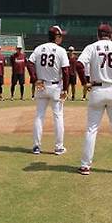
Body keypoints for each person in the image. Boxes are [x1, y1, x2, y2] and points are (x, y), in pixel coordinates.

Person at [76, 24, 112, 176]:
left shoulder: (92, 47)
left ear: (98, 35)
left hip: (97, 90)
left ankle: (85, 166)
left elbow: (79, 64)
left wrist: (84, 82)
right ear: (111, 35)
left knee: (91, 130)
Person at [27, 26, 70, 155]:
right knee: (58, 117)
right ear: (56, 37)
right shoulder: (61, 51)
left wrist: (35, 79)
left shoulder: (39, 48)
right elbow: (66, 71)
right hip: (55, 87)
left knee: (39, 116)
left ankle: (36, 146)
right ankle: (58, 147)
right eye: (60, 36)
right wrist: (65, 89)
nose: (61, 38)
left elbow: (29, 63)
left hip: (41, 86)